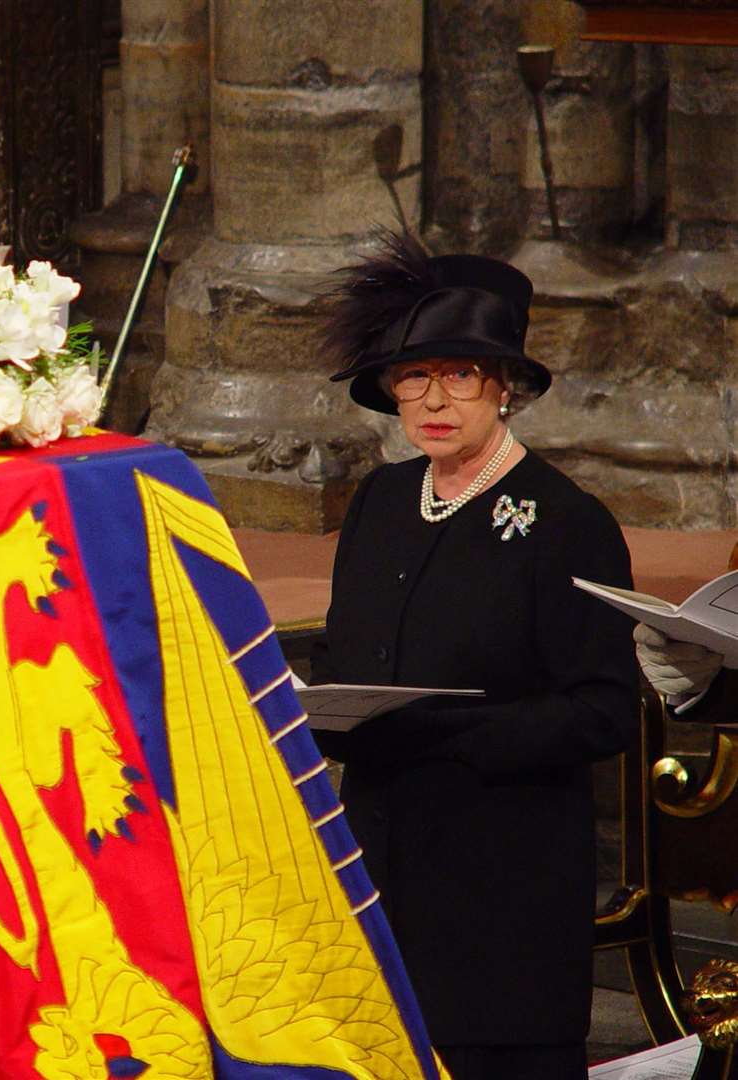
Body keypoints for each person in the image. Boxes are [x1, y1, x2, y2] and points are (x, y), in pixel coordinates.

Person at [310, 231, 639, 1080]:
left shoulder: (565, 521)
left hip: (503, 885)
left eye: (459, 374)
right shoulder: (380, 501)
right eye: (412, 376)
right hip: (380, 866)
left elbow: (604, 709)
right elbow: (355, 655)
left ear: (508, 389)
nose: (433, 398)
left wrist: (456, 734)